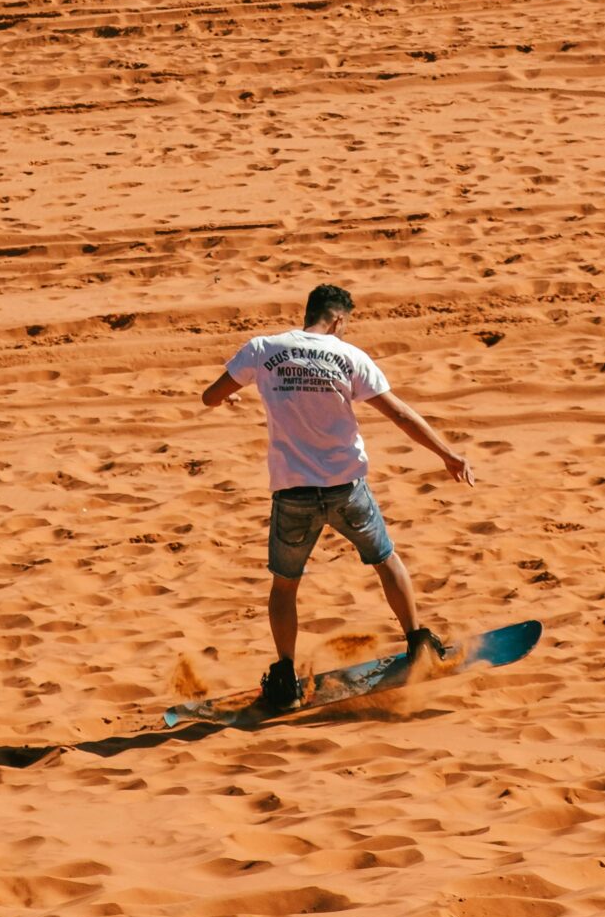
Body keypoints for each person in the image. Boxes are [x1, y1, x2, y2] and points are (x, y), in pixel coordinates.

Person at [201, 280, 475, 712]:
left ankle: (285, 675)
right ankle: (418, 639)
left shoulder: (262, 349)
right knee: (386, 560)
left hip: (293, 492)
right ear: (339, 319)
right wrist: (448, 454)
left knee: (285, 585)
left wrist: (230, 398)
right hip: (347, 488)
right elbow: (400, 414)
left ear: (308, 312)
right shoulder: (349, 356)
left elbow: (210, 396)